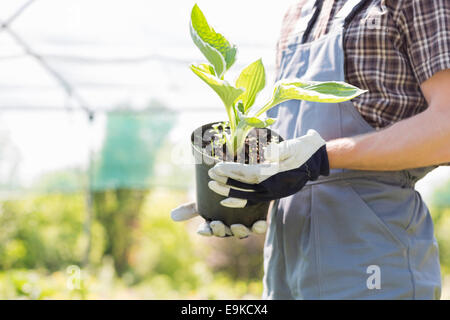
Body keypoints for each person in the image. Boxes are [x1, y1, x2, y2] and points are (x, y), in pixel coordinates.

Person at [171, 0, 450, 299]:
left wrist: (320, 158)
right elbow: (290, 157)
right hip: (285, 267)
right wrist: (236, 196)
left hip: (372, 256)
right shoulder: (297, 14)